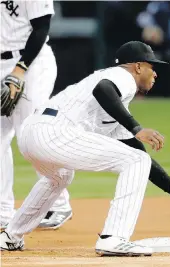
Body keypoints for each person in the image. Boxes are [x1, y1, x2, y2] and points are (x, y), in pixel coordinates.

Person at [0, 41, 170, 256]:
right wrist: (137, 128)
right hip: (53, 131)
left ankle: (11, 235)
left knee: (61, 177)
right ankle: (114, 238)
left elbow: (139, 153)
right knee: (135, 162)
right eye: (152, 67)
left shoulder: (113, 106)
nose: (155, 74)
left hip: (33, 133)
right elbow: (103, 89)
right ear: (138, 66)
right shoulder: (121, 76)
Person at [0, 0, 73, 230]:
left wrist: (20, 70)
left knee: (30, 135)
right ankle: (2, 211)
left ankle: (59, 204)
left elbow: (41, 28)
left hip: (30, 63)